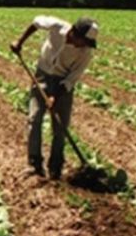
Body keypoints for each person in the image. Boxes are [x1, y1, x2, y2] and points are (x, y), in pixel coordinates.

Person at [10, 15, 99, 180]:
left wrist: (54, 96)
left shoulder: (85, 53)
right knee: (34, 119)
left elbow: (71, 79)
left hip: (62, 85)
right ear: (74, 32)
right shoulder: (57, 27)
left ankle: (55, 168)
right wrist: (19, 42)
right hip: (42, 75)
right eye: (83, 41)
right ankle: (34, 164)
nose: (84, 46)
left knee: (60, 128)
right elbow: (36, 22)